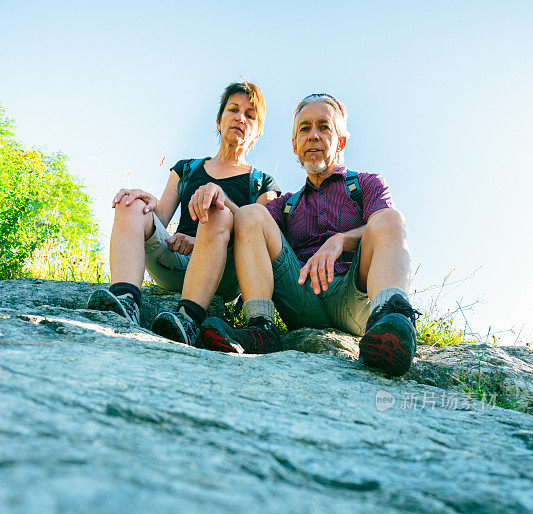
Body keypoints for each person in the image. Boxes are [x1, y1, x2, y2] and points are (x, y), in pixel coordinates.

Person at [200, 93, 420, 377]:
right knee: (251, 214)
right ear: (295, 146)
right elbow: (245, 222)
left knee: (390, 218)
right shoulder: (288, 203)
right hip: (300, 297)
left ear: (340, 141)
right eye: (304, 129)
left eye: (323, 127)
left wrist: (340, 240)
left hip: (353, 297)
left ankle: (392, 322)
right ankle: (260, 328)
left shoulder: (367, 183)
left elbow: (385, 230)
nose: (313, 135)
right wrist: (219, 195)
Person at [87, 81, 280, 345]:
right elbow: (161, 217)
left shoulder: (262, 183)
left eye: (250, 115)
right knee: (130, 204)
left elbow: (259, 239)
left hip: (224, 271)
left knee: (217, 211)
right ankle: (125, 301)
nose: (239, 118)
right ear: (218, 120)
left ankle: (188, 319)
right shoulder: (186, 168)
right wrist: (145, 203)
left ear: (257, 132)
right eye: (233, 109)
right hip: (175, 261)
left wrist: (203, 240)